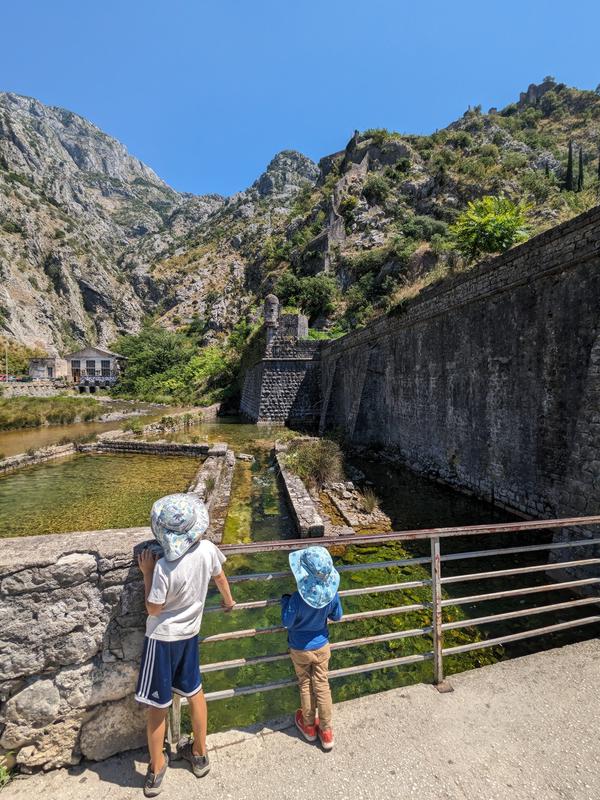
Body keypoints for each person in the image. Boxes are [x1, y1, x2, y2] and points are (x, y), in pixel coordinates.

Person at [135, 493, 235, 797]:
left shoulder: (164, 567)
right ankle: (200, 753)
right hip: (190, 635)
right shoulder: (207, 550)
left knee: (158, 704)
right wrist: (229, 603)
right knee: (195, 692)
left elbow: (153, 609)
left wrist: (147, 573)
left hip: (162, 640)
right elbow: (220, 579)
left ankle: (156, 766)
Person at [281, 546, 343, 751]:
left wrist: (285, 602)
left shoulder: (297, 599)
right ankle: (326, 731)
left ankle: (308, 727)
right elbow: (337, 616)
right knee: (322, 685)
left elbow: (287, 622)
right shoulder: (331, 595)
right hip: (322, 645)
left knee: (305, 684)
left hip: (299, 648)